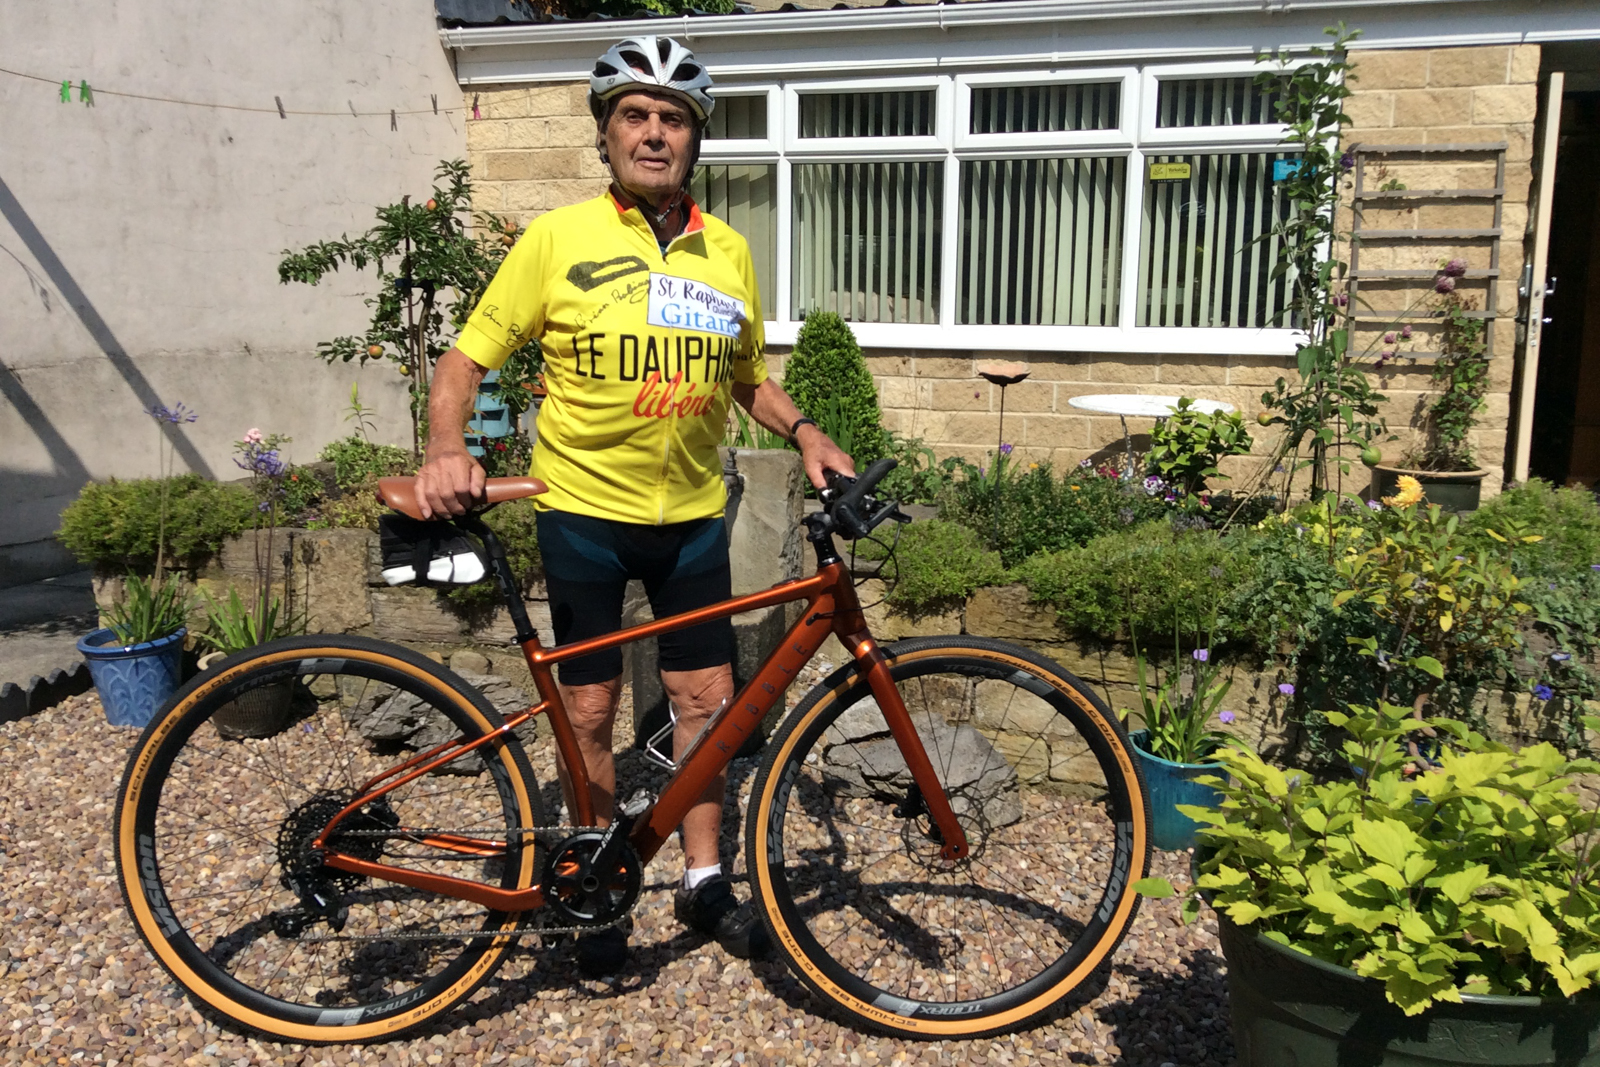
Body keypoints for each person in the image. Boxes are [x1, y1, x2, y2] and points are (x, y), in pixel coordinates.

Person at [412, 35, 855, 977]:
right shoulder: (556, 240)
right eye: (636, 117)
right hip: (582, 512)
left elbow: (748, 380)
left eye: (674, 119)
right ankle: (594, 876)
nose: (655, 134)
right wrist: (448, 445)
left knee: (705, 701)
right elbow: (463, 360)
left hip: (693, 515)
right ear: (608, 134)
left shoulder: (725, 251)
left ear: (696, 139)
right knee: (591, 710)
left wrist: (808, 430)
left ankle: (702, 879)